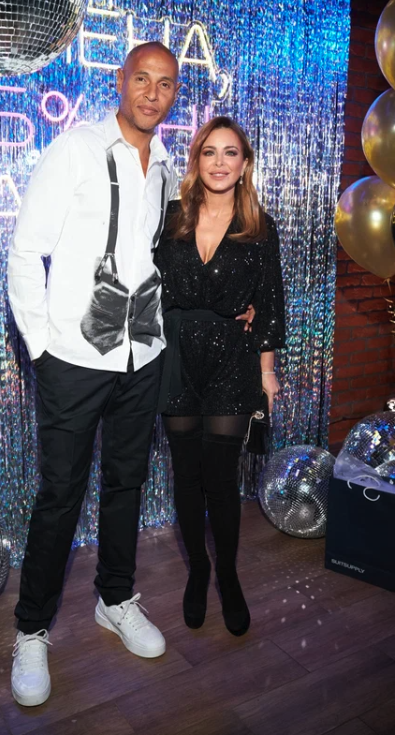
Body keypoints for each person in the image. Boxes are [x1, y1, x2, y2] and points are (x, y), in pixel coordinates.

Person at [7, 41, 182, 707]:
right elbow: (26, 251)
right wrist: (42, 348)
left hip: (142, 354)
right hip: (73, 360)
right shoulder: (75, 150)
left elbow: (154, 261)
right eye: (142, 79)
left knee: (126, 482)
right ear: (120, 81)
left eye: (165, 84)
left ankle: (115, 598)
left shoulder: (166, 168)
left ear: (174, 95)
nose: (152, 93)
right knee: (60, 494)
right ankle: (31, 629)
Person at [155, 116, 285, 636]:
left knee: (220, 478)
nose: (220, 162)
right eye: (210, 152)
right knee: (186, 475)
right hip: (175, 357)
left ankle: (228, 577)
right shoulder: (170, 218)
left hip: (233, 358)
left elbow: (270, 305)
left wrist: (267, 374)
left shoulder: (260, 228)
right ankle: (198, 570)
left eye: (231, 153)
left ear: (245, 164)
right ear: (197, 160)